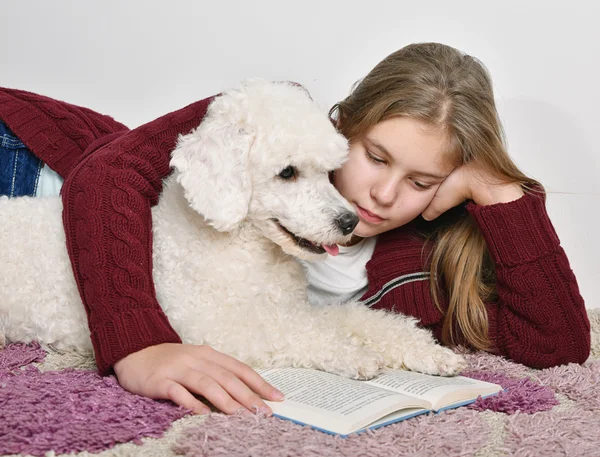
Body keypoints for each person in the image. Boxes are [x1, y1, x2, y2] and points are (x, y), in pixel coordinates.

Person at [0, 42, 590, 416]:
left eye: (420, 181)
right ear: (342, 126)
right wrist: (139, 343)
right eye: (376, 158)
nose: (382, 196)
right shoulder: (275, 115)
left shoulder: (416, 266)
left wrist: (502, 194)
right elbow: (107, 174)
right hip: (29, 165)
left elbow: (558, 344)